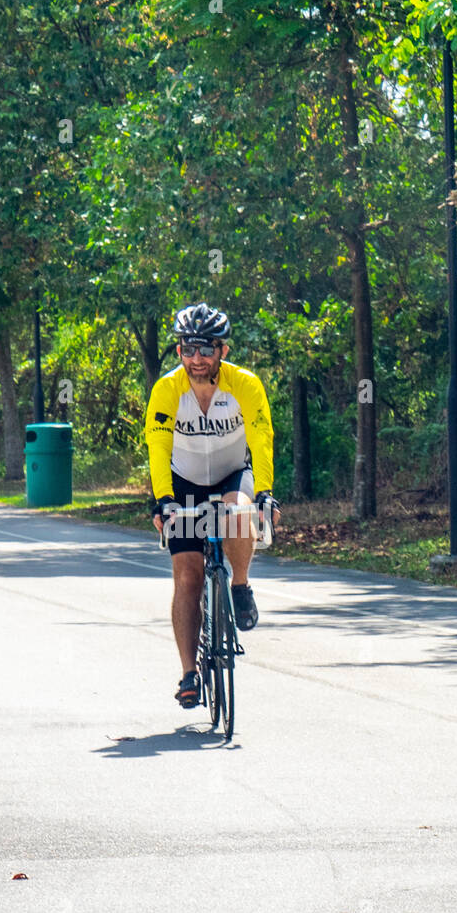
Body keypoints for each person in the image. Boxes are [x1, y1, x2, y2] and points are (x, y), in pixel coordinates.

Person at [145, 303, 280, 708]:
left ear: (222, 350)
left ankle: (238, 584)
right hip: (183, 482)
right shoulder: (168, 389)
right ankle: (189, 672)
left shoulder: (245, 384)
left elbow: (261, 437)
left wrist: (265, 494)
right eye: (187, 350)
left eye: (205, 350)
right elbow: (157, 445)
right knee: (187, 576)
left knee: (239, 513)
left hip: (229, 475)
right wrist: (163, 501)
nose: (195, 359)